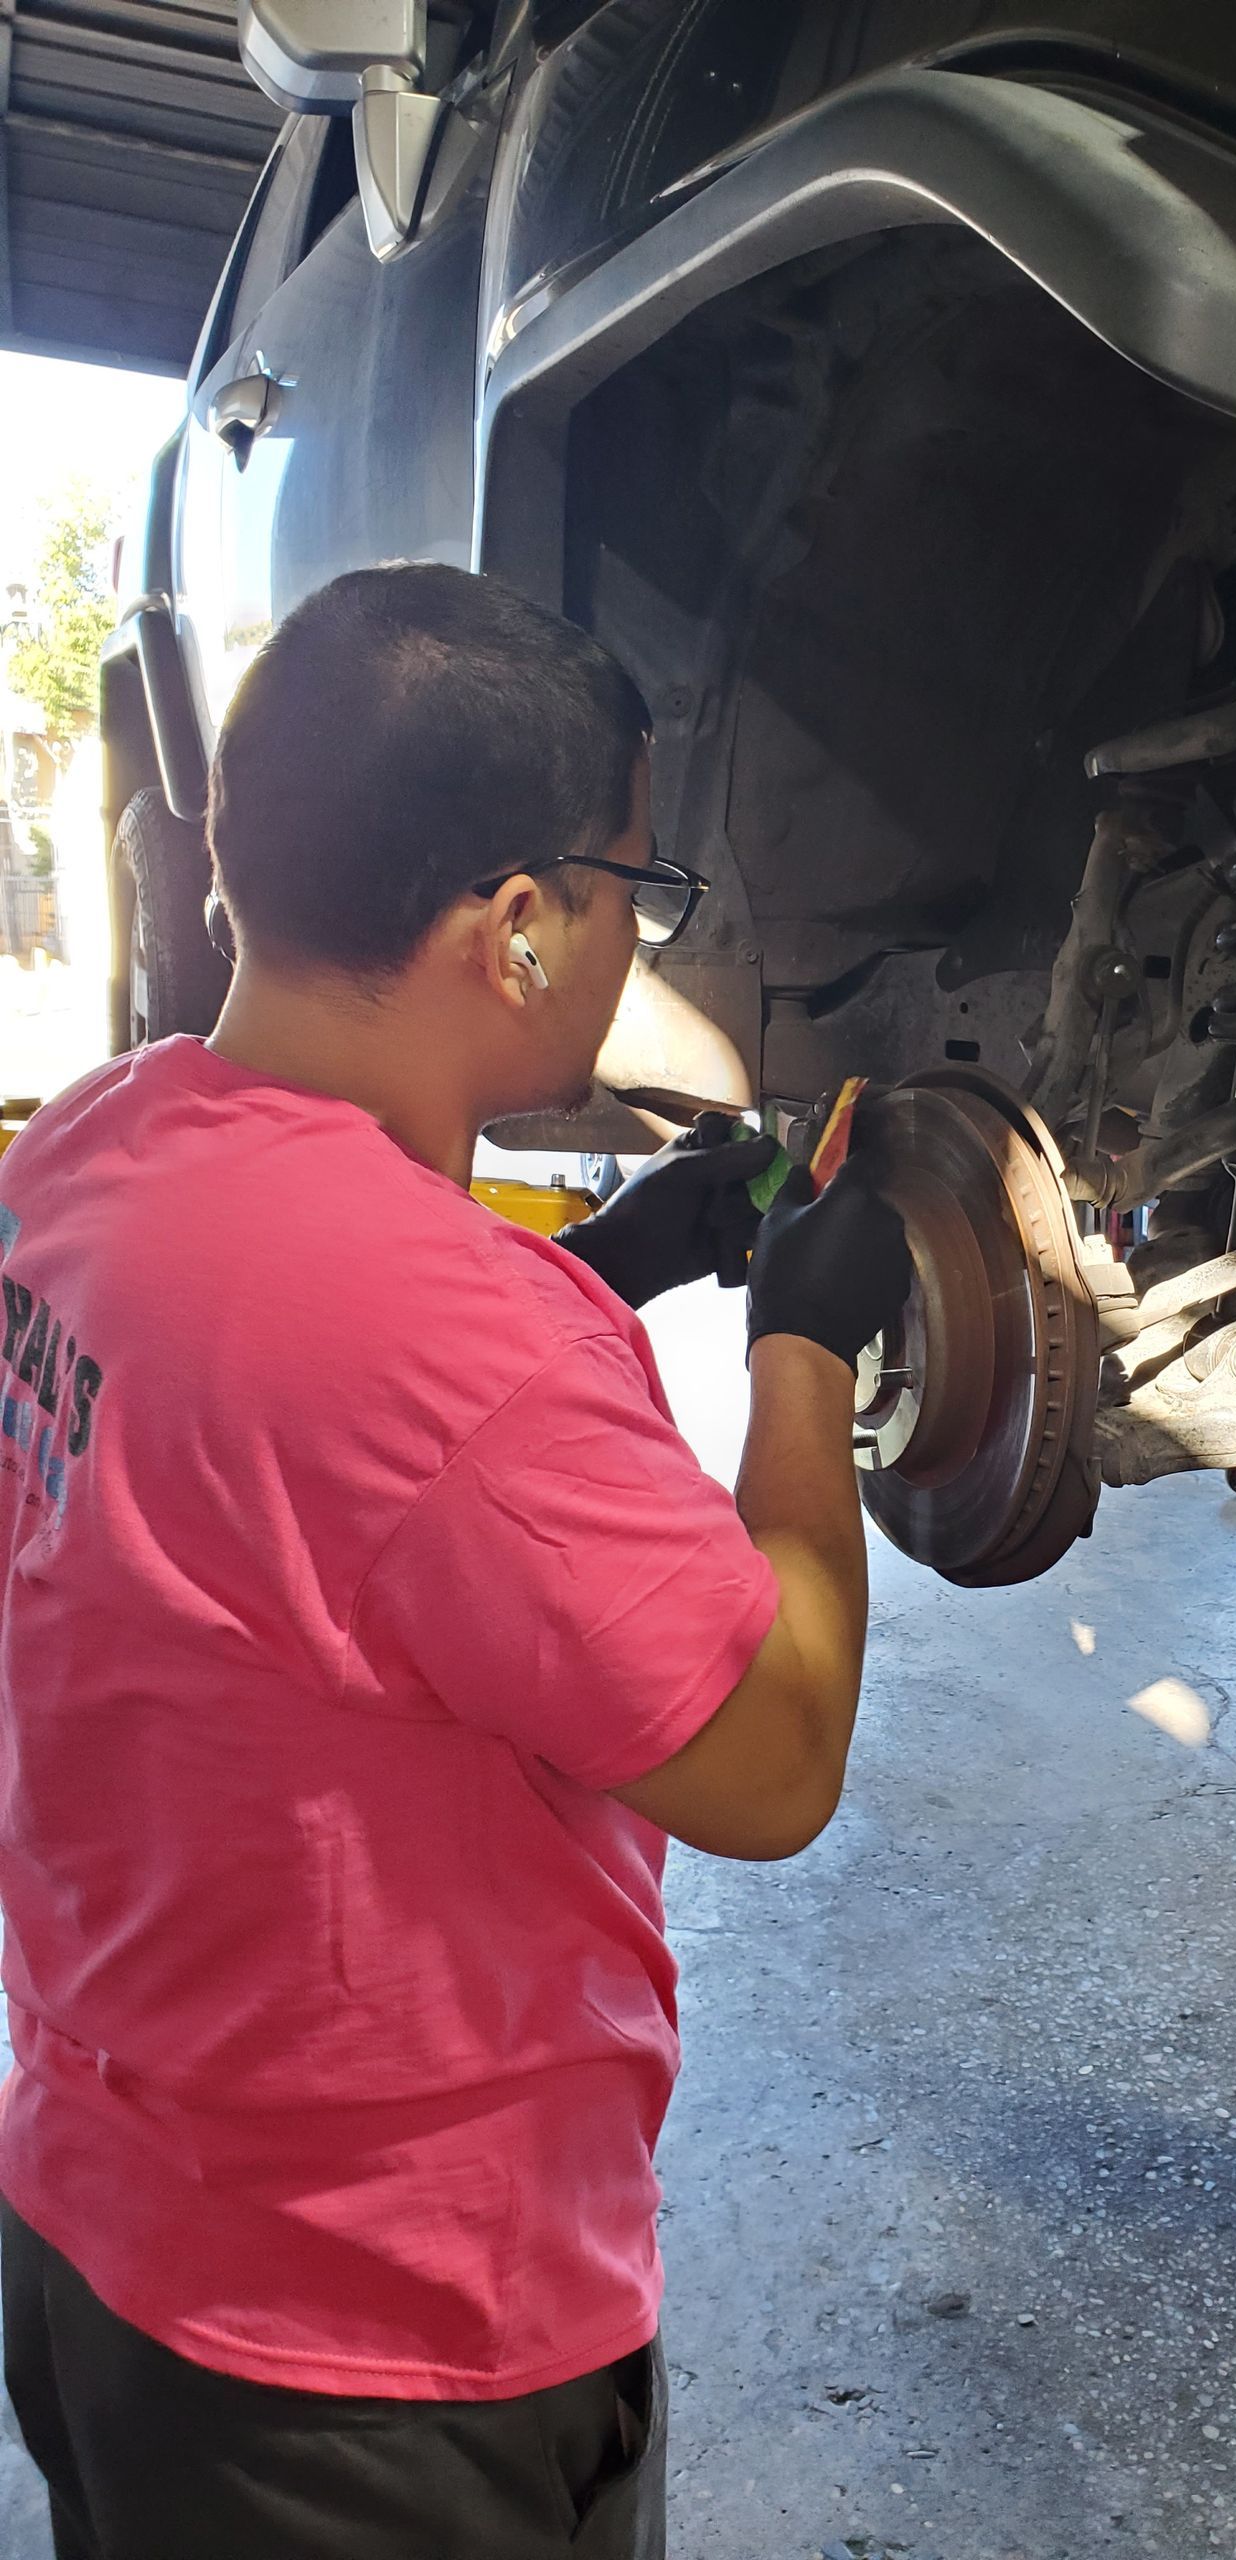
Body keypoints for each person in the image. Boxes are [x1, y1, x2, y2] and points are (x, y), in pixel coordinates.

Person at [0, 564, 912, 2558]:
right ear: (516, 924)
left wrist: (622, 1261)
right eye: (634, 893)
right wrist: (802, 1354)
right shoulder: (453, 1349)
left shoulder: (86, 1154)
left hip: (100, 2240)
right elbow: (776, 1754)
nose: (635, 937)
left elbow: (293, 1450)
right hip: (371, 2371)